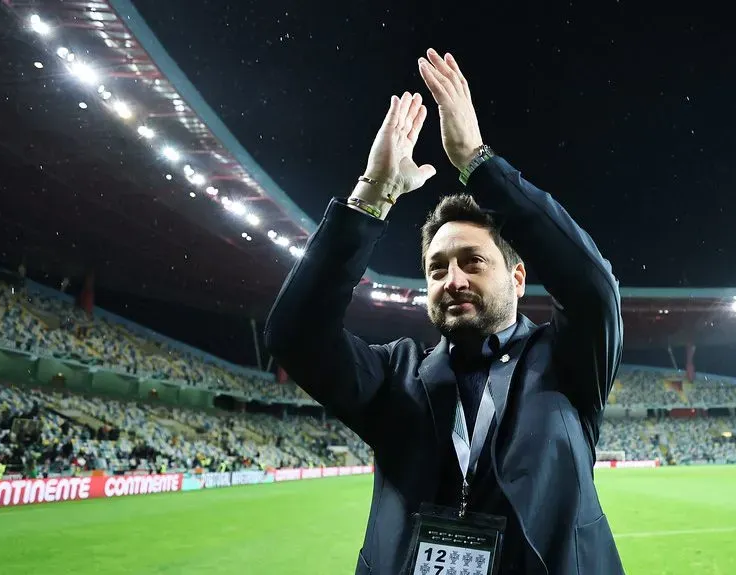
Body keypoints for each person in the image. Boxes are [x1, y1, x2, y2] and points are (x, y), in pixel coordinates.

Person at [265, 48, 624, 575]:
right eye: (437, 269)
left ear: (518, 277)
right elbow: (294, 334)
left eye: (473, 262)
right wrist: (373, 196)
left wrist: (479, 164)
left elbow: (593, 287)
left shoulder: (568, 362)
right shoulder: (393, 376)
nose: (452, 279)